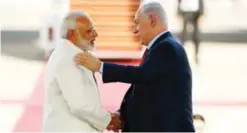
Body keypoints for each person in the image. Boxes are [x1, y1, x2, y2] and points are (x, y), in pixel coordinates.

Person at [75, 2, 195, 132]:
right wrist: (122, 116)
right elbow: (144, 91)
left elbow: (141, 75)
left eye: (137, 23)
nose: (135, 30)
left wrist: (100, 66)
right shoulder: (159, 48)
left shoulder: (167, 47)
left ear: (152, 20)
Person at [42, 10, 120, 132]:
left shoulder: (70, 54)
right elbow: (80, 105)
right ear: (72, 35)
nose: (95, 34)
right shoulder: (67, 59)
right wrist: (108, 120)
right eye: (89, 31)